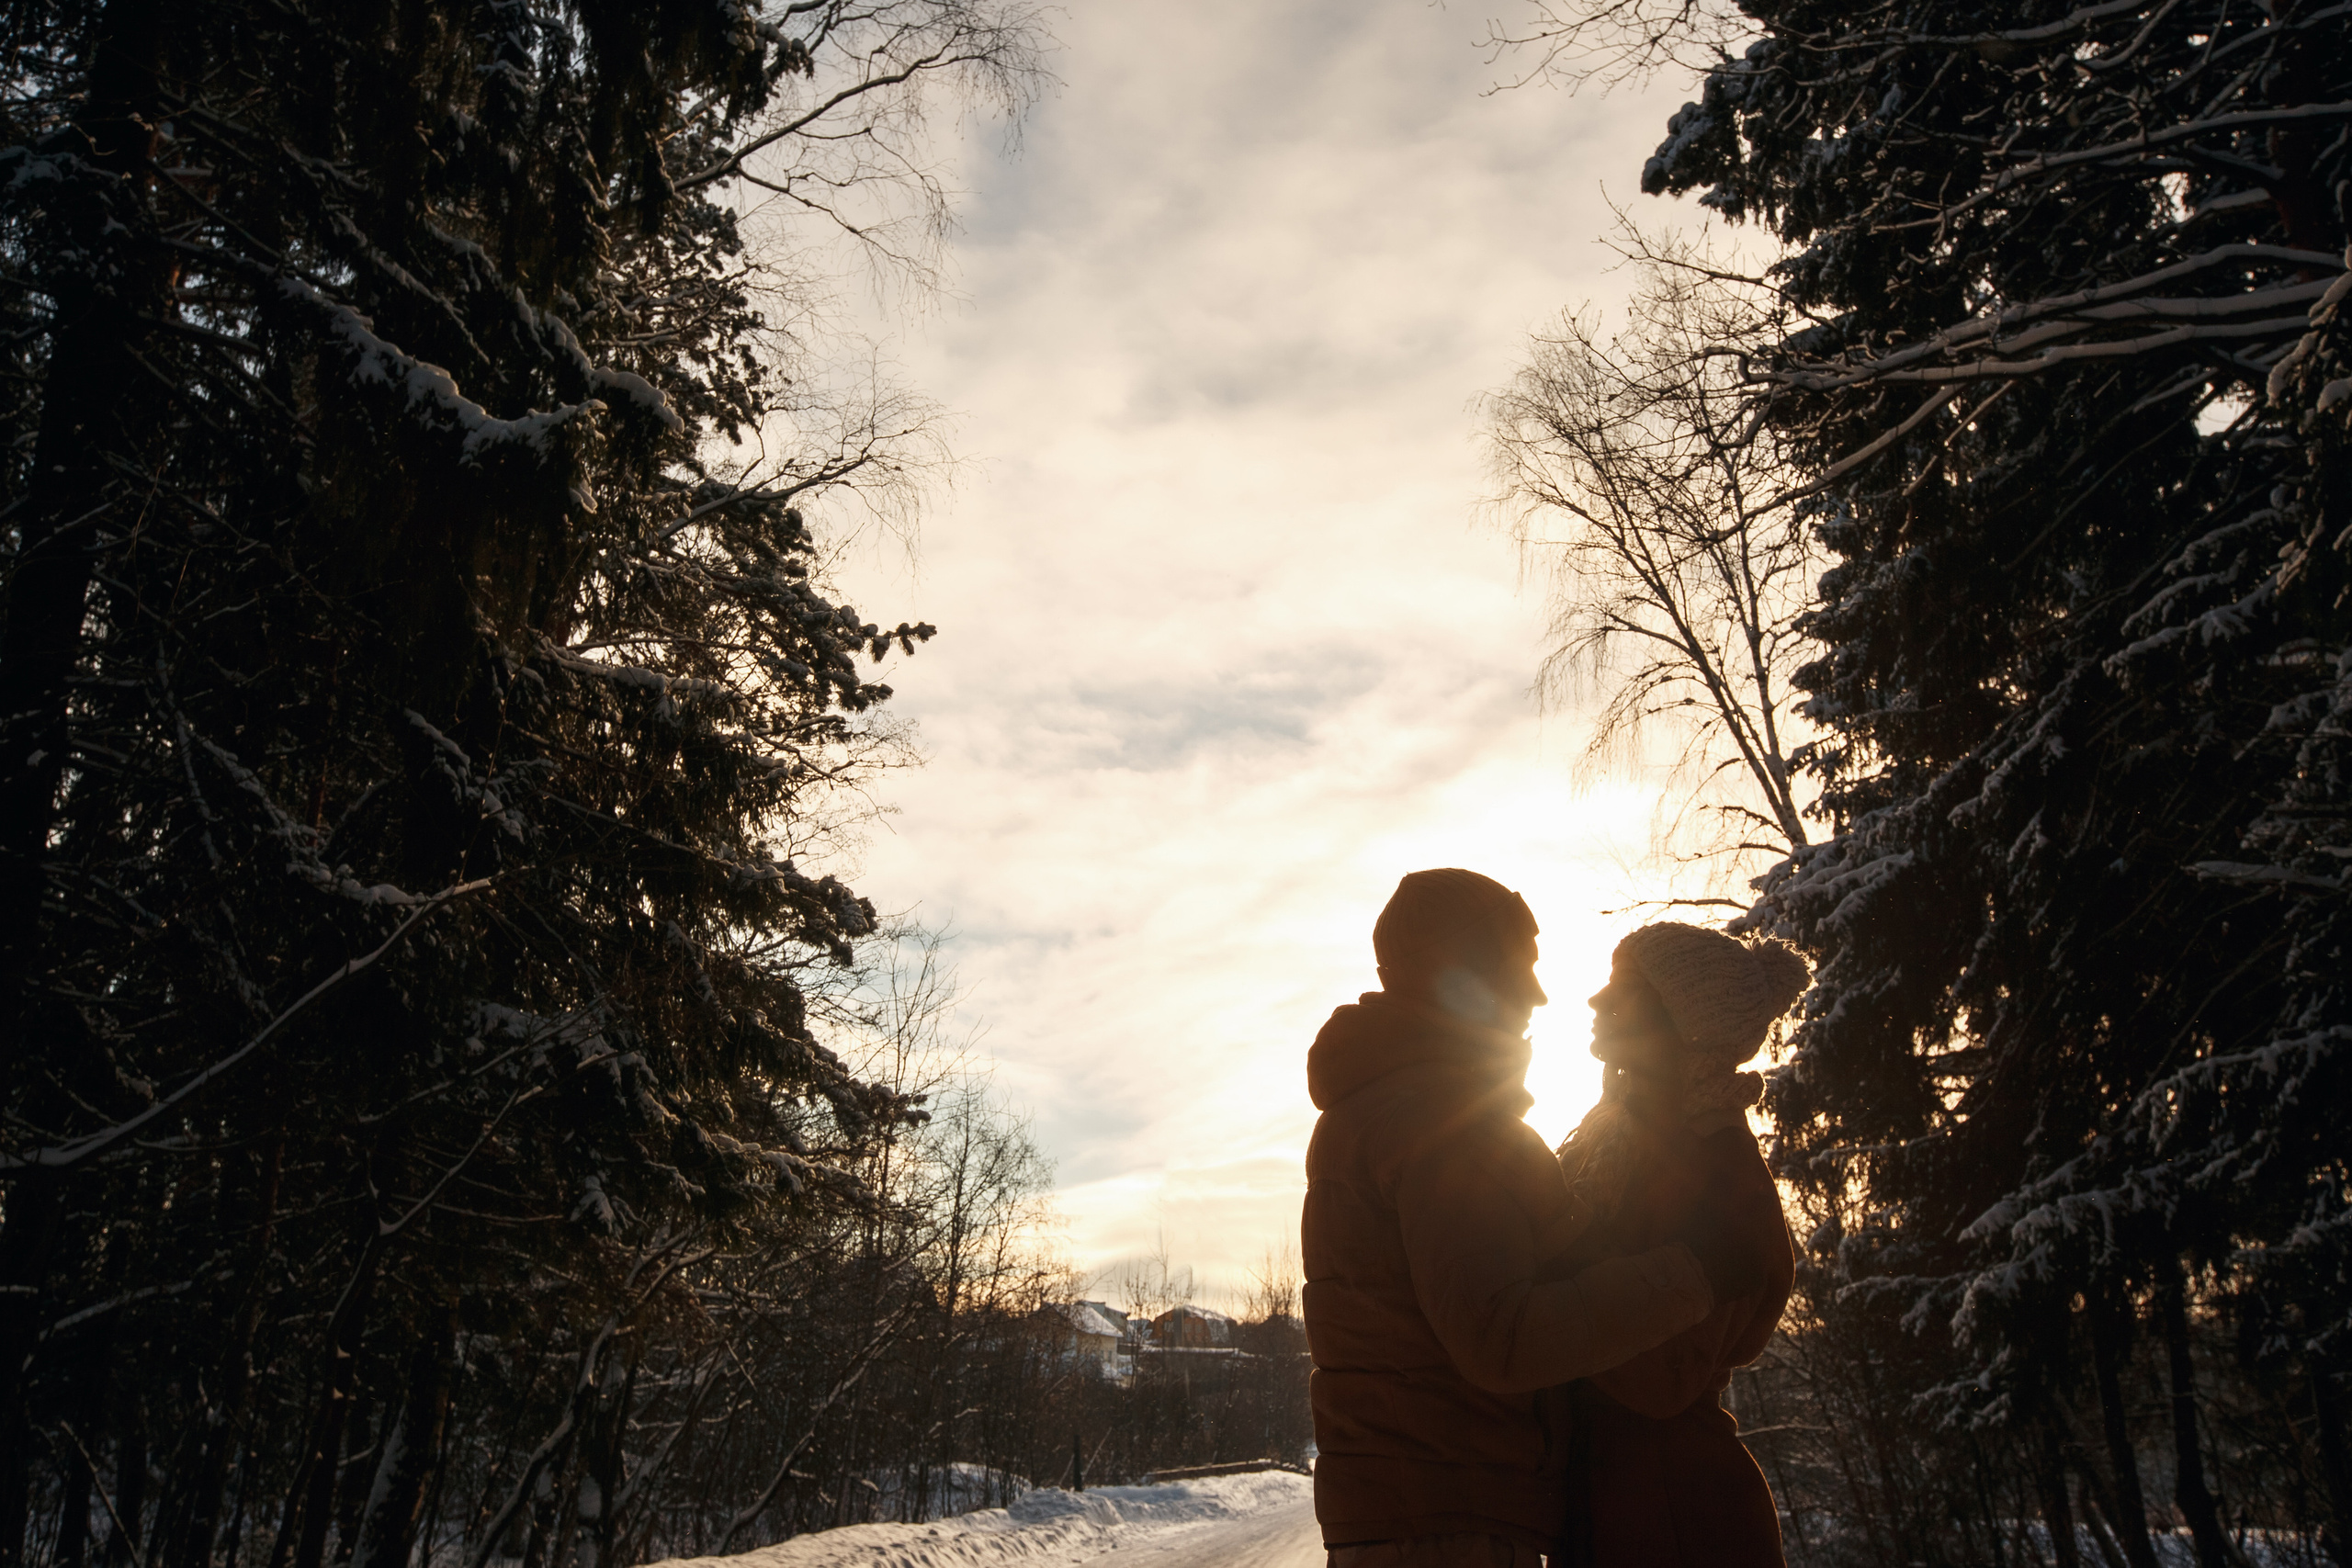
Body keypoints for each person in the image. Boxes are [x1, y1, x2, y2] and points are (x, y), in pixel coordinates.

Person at [1302, 872, 1773, 1568]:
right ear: (1466, 974)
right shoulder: (1441, 1118)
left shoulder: (1411, 1104)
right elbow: (1505, 1333)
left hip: (1622, 1511)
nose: (1545, 994)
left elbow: (1664, 1369)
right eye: (1521, 968)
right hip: (1453, 1515)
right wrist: (1691, 1272)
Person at [1547, 921, 1808, 1568]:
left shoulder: (1718, 1169)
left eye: (1625, 988)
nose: (1595, 1000)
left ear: (1680, 1020)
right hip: (1618, 1511)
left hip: (1682, 1522)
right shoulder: (1613, 1141)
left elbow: (1661, 1375)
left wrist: (1544, 1279)